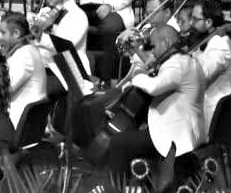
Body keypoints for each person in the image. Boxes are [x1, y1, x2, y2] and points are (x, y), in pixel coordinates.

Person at [84, 24, 204, 179]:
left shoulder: (177, 65)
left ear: (167, 43)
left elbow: (154, 87)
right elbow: (157, 71)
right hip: (183, 126)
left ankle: (120, 189)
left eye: (153, 46)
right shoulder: (184, 61)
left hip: (175, 134)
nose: (151, 51)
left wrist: (138, 73)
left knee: (119, 143)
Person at [30, 0, 92, 95]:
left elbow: (65, 45)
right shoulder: (46, 12)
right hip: (42, 67)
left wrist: (40, 36)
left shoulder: (77, 15)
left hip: (64, 72)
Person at [189, 0, 231, 138]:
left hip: (209, 115)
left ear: (209, 22)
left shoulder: (221, 45)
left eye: (195, 19)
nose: (191, 23)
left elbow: (203, 76)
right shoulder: (208, 41)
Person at [1, 12, 47, 131]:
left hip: (18, 124)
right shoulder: (27, 50)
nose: (0, 37)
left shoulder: (24, 55)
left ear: (16, 33)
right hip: (19, 120)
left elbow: (6, 90)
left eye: (3, 33)